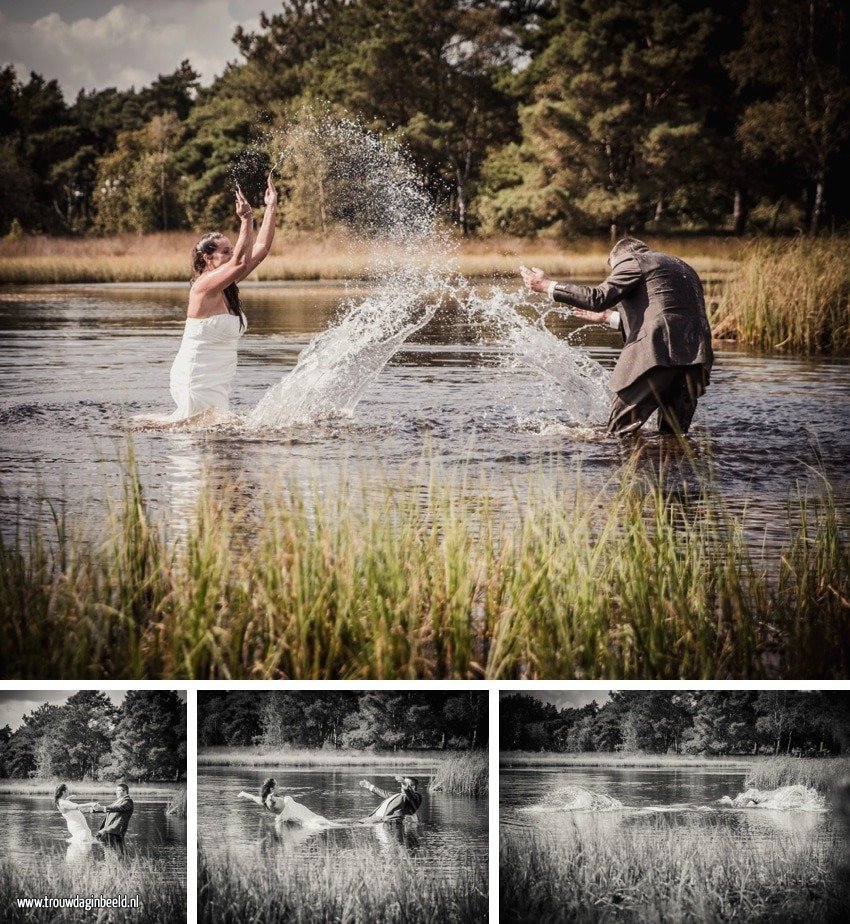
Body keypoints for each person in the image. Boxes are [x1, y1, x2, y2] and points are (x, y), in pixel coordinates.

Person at [520, 238, 713, 436]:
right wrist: (606, 317)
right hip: (696, 361)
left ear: (617, 258)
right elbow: (666, 315)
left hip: (659, 356)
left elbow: (597, 298)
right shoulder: (681, 267)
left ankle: (619, 466)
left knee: (617, 435)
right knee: (674, 437)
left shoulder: (633, 261)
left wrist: (546, 285)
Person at [168, 174, 278, 422]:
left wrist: (270, 206)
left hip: (218, 380)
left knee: (220, 447)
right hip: (195, 377)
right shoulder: (203, 287)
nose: (231, 256)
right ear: (208, 258)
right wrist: (247, 219)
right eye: (225, 252)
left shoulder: (227, 285)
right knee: (197, 445)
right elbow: (240, 261)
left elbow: (261, 250)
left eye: (230, 251)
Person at [238, 777, 331, 830]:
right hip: (294, 812)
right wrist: (270, 797)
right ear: (271, 789)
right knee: (317, 822)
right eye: (277, 785)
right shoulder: (270, 799)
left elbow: (252, 797)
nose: (278, 786)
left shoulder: (262, 801)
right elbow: (271, 801)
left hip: (290, 813)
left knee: (315, 821)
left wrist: (243, 793)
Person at [90, 783, 134, 858]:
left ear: (125, 791)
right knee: (112, 853)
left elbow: (117, 808)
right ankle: (118, 866)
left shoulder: (128, 801)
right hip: (109, 830)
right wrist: (95, 810)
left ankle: (120, 865)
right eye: (116, 790)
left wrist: (102, 808)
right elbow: (110, 808)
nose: (116, 792)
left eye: (118, 790)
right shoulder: (118, 801)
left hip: (115, 831)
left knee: (116, 854)